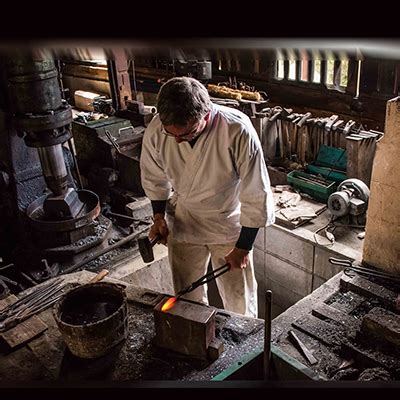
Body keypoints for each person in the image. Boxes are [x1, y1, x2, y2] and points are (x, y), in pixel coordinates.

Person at [140, 77, 275, 318]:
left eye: (187, 133)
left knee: (239, 298)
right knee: (185, 294)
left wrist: (243, 247)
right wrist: (158, 217)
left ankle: (244, 342)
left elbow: (256, 192)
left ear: (206, 114)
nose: (179, 140)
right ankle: (195, 338)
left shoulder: (237, 130)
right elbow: (154, 177)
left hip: (227, 224)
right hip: (184, 220)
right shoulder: (156, 130)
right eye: (172, 135)